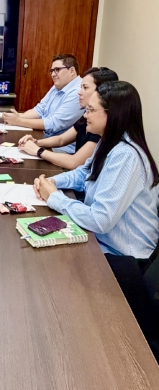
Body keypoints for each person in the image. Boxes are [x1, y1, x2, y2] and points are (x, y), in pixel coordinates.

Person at [34, 81, 159, 259]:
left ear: (113, 114)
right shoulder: (108, 141)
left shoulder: (126, 155)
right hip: (101, 240)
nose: (85, 115)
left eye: (91, 110)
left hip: (123, 255)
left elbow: (100, 220)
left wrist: (54, 197)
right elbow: (84, 174)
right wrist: (52, 182)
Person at [18, 67, 118, 169]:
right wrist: (36, 142)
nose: (79, 92)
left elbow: (74, 162)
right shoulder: (87, 114)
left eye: (85, 87)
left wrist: (38, 151)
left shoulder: (101, 123)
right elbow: (61, 139)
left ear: (101, 92)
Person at [3, 53, 83, 153]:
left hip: (62, 148)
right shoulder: (58, 85)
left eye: (57, 70)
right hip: (45, 139)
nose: (53, 74)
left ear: (72, 71)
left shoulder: (78, 92)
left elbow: (53, 124)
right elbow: (39, 110)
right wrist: (17, 117)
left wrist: (19, 121)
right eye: (52, 71)